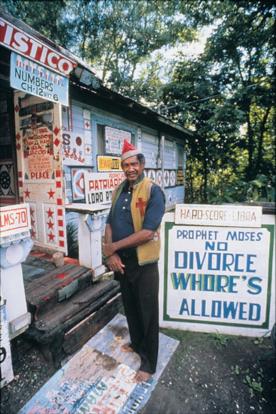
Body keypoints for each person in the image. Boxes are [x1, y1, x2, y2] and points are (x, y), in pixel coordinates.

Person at [103, 139, 165, 383]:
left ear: (142, 164)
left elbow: (148, 232)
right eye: (125, 165)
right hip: (122, 262)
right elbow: (109, 222)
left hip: (144, 263)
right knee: (130, 307)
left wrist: (113, 247)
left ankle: (148, 364)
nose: (130, 169)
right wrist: (111, 255)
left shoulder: (152, 190)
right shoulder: (119, 189)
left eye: (134, 164)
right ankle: (137, 344)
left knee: (147, 313)